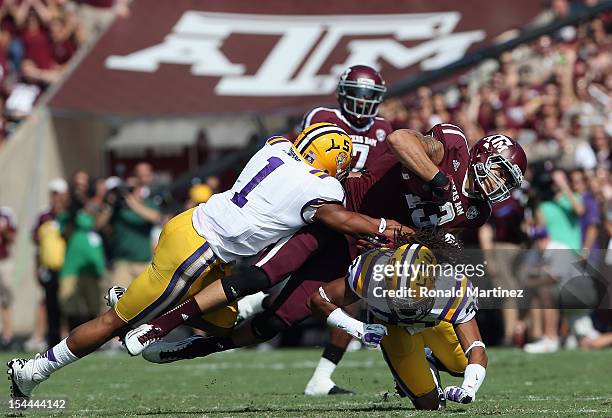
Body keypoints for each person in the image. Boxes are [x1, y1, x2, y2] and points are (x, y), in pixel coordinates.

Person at [8, 123, 398, 399]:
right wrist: (387, 226)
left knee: (225, 320)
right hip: (199, 250)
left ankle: (137, 301)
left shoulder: (276, 146)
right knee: (115, 325)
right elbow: (343, 218)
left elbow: (288, 150)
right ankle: (33, 371)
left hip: (197, 233)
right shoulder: (323, 186)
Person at [131, 127, 525, 381]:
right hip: (339, 217)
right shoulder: (451, 148)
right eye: (501, 170)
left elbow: (430, 236)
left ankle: (203, 345)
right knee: (259, 277)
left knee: (280, 319)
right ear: (483, 154)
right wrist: (438, 180)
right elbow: (401, 140)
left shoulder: (477, 212)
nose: (501, 182)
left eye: (509, 180)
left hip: (371, 248)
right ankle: (161, 321)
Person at [308, 230, 488, 410]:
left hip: (434, 323)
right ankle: (417, 368)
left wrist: (469, 388)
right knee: (431, 405)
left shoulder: (452, 289)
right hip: (392, 327)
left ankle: (428, 358)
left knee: (462, 366)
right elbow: (317, 300)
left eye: (413, 301)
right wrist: (360, 329)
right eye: (399, 300)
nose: (407, 309)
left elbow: (476, 349)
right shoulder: (369, 273)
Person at [298, 64, 393, 394]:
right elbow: (305, 163)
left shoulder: (383, 128)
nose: (364, 102)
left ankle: (321, 377)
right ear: (343, 93)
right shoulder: (323, 116)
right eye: (359, 95)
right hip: (317, 210)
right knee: (287, 274)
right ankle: (247, 306)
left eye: (371, 97)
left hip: (355, 220)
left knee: (354, 288)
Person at [28, 178, 69, 351]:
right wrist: (37, 266)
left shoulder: (69, 214)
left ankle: (69, 338)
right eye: (54, 194)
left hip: (67, 267)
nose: (56, 198)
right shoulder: (44, 215)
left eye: (59, 194)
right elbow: (36, 241)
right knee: (50, 304)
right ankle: (52, 339)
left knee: (68, 303)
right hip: (50, 267)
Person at [0, 204, 17, 349]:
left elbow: (13, 237)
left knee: (6, 300)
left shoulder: (6, 214)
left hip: (4, 261)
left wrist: (4, 231)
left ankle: (7, 336)